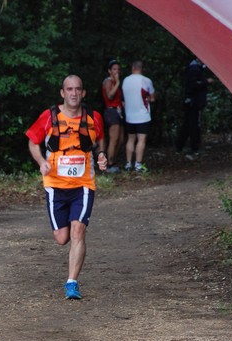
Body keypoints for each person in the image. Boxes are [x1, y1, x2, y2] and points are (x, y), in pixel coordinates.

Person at [26, 74, 107, 300]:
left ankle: (72, 283)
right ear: (62, 93)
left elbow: (99, 141)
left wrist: (101, 156)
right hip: (54, 184)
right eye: (69, 89)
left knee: (78, 230)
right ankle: (71, 233)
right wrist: (42, 161)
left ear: (83, 93)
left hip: (83, 184)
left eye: (78, 89)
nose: (74, 93)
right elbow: (33, 141)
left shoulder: (93, 117)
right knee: (62, 238)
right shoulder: (49, 116)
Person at [175, 58, 214, 157]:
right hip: (193, 102)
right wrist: (206, 82)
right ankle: (193, 147)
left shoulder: (197, 68)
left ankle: (180, 146)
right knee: (192, 124)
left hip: (194, 102)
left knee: (188, 124)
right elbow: (192, 85)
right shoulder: (194, 69)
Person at [122, 60, 155, 173]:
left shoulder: (125, 80)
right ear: (142, 69)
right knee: (141, 139)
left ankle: (128, 164)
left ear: (132, 68)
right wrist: (148, 99)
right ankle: (138, 165)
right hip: (142, 115)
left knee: (130, 139)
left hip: (129, 115)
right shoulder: (146, 80)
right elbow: (152, 97)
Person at [102, 59, 124, 173]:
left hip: (118, 111)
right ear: (109, 71)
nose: (117, 72)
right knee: (114, 139)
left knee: (120, 139)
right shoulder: (108, 81)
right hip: (111, 111)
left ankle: (112, 161)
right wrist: (118, 83)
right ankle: (109, 165)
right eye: (114, 69)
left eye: (118, 69)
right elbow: (110, 95)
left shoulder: (116, 82)